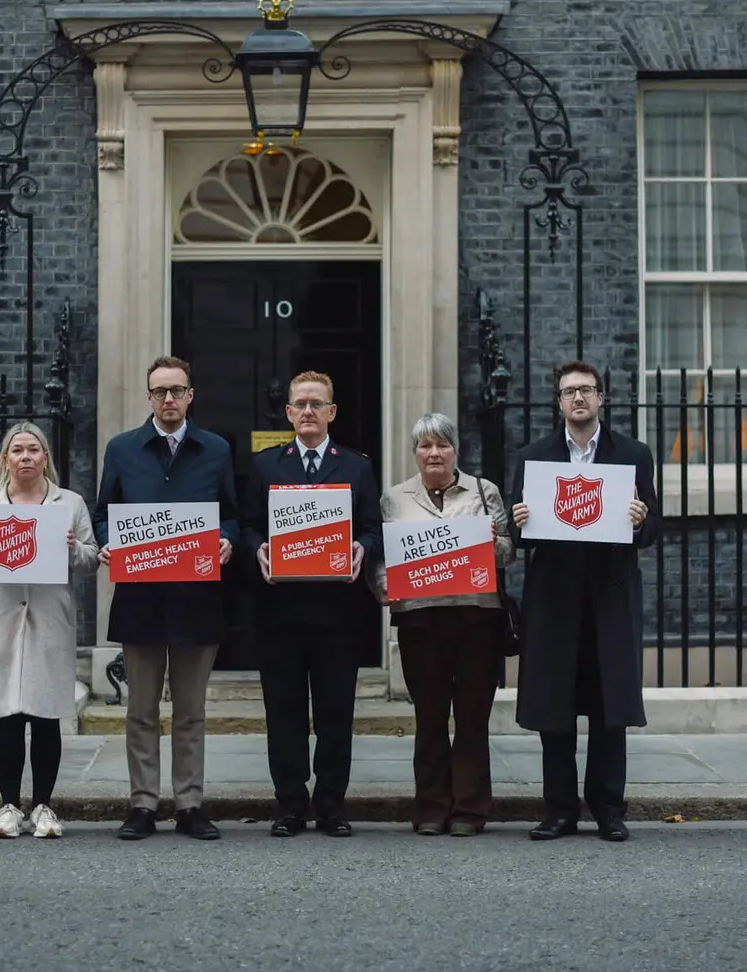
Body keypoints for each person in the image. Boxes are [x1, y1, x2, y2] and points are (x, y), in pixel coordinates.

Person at [510, 360, 660, 842]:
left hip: (609, 597)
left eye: (587, 390)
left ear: (601, 399)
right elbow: (520, 535)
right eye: (569, 391)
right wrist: (521, 517)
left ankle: (609, 808)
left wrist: (641, 520)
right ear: (558, 401)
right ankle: (559, 809)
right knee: (554, 707)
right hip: (554, 601)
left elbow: (655, 528)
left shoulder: (633, 454)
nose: (578, 398)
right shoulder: (535, 456)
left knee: (608, 707)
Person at [94, 355, 239, 841]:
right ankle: (142, 804)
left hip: (197, 597)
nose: (169, 399)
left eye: (177, 390)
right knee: (141, 710)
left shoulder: (216, 450)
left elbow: (233, 514)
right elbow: (102, 515)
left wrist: (228, 539)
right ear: (148, 396)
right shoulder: (122, 450)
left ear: (191, 396)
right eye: (160, 391)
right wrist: (108, 542)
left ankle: (190, 804)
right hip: (141, 598)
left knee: (192, 711)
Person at [243, 370, 383, 838]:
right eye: (299, 404)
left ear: (331, 412)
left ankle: (331, 805)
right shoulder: (265, 466)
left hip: (337, 613)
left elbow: (372, 527)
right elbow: (247, 527)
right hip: (279, 612)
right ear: (288, 413)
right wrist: (257, 548)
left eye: (316, 404)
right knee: (282, 712)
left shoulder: (356, 467)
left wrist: (365, 547)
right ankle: (289, 805)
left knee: (335, 712)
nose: (307, 411)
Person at [0, 421, 99, 840]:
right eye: (17, 450)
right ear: (6, 459)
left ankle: (44, 808)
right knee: (7, 717)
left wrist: (72, 548)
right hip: (0, 618)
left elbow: (91, 559)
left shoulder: (68, 502)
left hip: (50, 619)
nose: (26, 457)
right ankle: (8, 807)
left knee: (47, 714)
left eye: (33, 449)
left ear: (45, 458)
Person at [374, 413, 514, 837]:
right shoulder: (394, 499)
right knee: (430, 716)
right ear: (415, 452)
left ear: (456, 450)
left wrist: (490, 541)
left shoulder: (483, 491)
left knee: (473, 716)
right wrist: (384, 585)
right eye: (425, 446)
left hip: (477, 619)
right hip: (421, 622)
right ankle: (431, 807)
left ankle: (470, 809)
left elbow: (508, 551)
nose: (434, 453)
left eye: (442, 445)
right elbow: (382, 558)